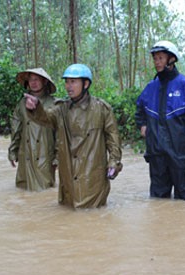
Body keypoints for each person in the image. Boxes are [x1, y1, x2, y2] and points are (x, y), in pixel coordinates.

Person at [23, 64, 123, 209]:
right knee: (68, 218)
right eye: (67, 82)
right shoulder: (61, 109)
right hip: (68, 181)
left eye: (73, 82)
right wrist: (35, 107)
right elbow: (45, 118)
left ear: (86, 84)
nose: (68, 86)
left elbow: (113, 140)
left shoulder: (102, 109)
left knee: (93, 220)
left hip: (92, 181)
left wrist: (114, 163)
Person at [136, 40, 185, 200]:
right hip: (156, 149)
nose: (157, 62)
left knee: (184, 196)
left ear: (171, 59)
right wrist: (142, 125)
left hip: (177, 147)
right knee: (158, 199)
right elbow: (139, 108)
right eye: (155, 59)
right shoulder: (151, 87)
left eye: (160, 58)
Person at [8, 68, 57, 191]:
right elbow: (16, 129)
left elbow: (60, 133)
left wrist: (58, 157)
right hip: (26, 154)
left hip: (45, 155)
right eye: (30, 80)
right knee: (23, 191)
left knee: (45, 190)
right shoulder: (21, 104)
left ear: (44, 81)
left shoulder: (54, 104)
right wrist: (13, 151)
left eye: (36, 79)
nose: (33, 82)